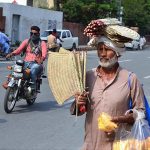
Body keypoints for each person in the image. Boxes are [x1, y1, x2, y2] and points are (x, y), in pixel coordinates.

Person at [70, 25, 145, 149]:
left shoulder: (130, 78)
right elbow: (79, 111)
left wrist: (120, 119)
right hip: (91, 144)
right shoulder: (88, 76)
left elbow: (141, 112)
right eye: (100, 49)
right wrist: (78, 103)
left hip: (119, 144)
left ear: (117, 53)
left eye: (107, 49)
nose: (103, 54)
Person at [6, 26, 47, 92]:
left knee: (33, 70)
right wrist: (12, 54)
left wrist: (41, 59)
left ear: (38, 34)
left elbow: (44, 54)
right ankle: (9, 84)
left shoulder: (42, 43)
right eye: (31, 33)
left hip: (36, 64)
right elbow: (19, 50)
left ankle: (32, 87)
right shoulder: (26, 41)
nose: (33, 35)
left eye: (35, 34)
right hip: (26, 62)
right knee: (15, 68)